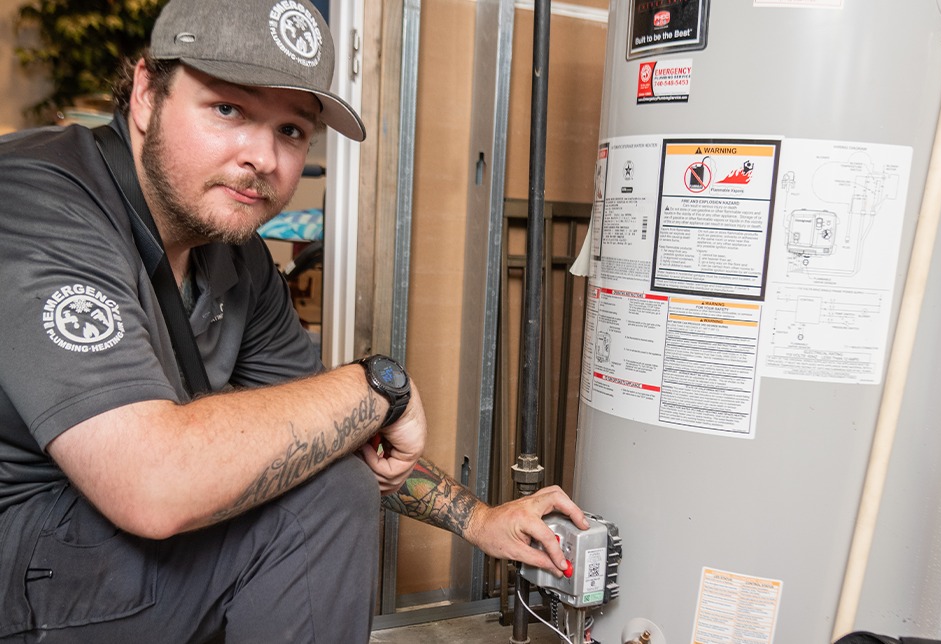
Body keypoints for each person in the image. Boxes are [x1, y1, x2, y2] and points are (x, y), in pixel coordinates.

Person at [0, 0, 588, 642]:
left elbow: (325, 439)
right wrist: (378, 385)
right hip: (21, 559)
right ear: (146, 93)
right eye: (229, 109)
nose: (264, 158)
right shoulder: (36, 196)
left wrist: (477, 520)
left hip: (103, 554)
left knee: (327, 479)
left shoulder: (234, 257)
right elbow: (151, 481)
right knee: (320, 499)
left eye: (291, 130)